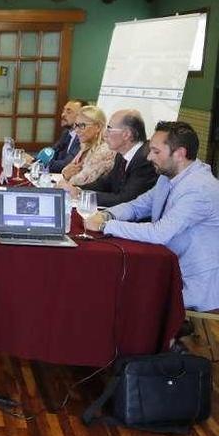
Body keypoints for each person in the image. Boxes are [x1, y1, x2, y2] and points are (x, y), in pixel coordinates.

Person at [86, 121, 219, 312]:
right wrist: (107, 214)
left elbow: (160, 233)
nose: (149, 157)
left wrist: (105, 226)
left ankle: (157, 340)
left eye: (156, 151)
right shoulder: (168, 177)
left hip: (196, 282)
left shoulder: (199, 189)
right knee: (112, 279)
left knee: (119, 293)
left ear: (179, 154)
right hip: (169, 267)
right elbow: (138, 206)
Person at [59, 109, 158, 207]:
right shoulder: (121, 154)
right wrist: (77, 190)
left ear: (126, 134)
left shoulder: (145, 159)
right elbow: (106, 183)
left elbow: (126, 200)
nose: (105, 134)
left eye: (109, 129)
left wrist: (80, 195)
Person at [58, 105, 115, 187]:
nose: (76, 130)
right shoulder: (85, 147)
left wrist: (64, 179)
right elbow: (67, 171)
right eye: (76, 125)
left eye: (82, 126)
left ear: (98, 127)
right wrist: (64, 175)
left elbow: (81, 181)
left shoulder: (106, 150)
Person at [39, 99, 88, 172]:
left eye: (68, 112)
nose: (63, 115)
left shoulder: (83, 138)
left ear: (81, 117)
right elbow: (51, 153)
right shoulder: (66, 134)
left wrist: (40, 163)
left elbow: (66, 165)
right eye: (63, 111)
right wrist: (36, 160)